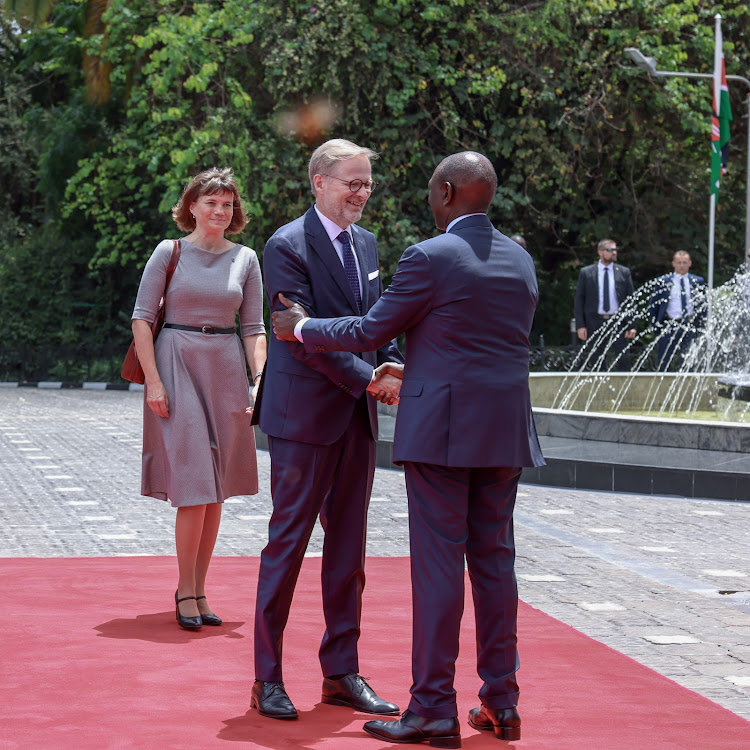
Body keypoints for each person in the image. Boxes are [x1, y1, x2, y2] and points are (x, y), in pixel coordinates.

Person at [273, 151, 545, 746]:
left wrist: (300, 328)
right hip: (505, 433)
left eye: (430, 188)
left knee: (440, 568)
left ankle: (432, 708)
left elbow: (370, 328)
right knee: (496, 566)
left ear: (447, 191)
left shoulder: (430, 255)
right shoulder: (521, 259)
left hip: (443, 433)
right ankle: (502, 701)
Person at [251, 139, 404, 720]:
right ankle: (267, 679)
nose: (361, 193)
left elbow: (374, 318)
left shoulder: (366, 243)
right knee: (286, 547)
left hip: (356, 422)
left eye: (367, 183)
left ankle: (341, 673)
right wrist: (370, 378)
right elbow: (302, 338)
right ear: (319, 182)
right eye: (351, 182)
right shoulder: (286, 245)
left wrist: (391, 363)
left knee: (348, 553)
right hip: (304, 419)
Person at [131, 168, 266, 630]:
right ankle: (184, 589)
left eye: (227, 204)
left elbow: (253, 328)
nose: (220, 211)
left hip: (225, 367)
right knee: (193, 483)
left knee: (216, 490)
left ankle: (200, 589)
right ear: (192, 206)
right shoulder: (169, 252)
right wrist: (153, 380)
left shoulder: (246, 258)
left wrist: (259, 379)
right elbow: (142, 320)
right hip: (175, 362)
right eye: (211, 202)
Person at [573, 238, 637, 370]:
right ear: (600, 252)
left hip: (618, 321)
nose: (614, 253)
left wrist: (632, 325)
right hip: (594, 321)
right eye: (610, 250)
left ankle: (625, 389)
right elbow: (579, 300)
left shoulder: (623, 272)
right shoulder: (587, 273)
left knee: (623, 359)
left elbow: (631, 299)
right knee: (596, 360)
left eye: (615, 250)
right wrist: (580, 325)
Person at [649, 251, 705, 371]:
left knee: (688, 361)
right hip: (669, 324)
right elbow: (654, 305)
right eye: (679, 263)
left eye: (684, 262)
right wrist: (656, 326)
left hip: (689, 324)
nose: (682, 265)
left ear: (690, 263)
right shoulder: (664, 281)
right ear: (673, 263)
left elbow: (703, 305)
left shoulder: (697, 281)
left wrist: (701, 325)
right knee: (664, 360)